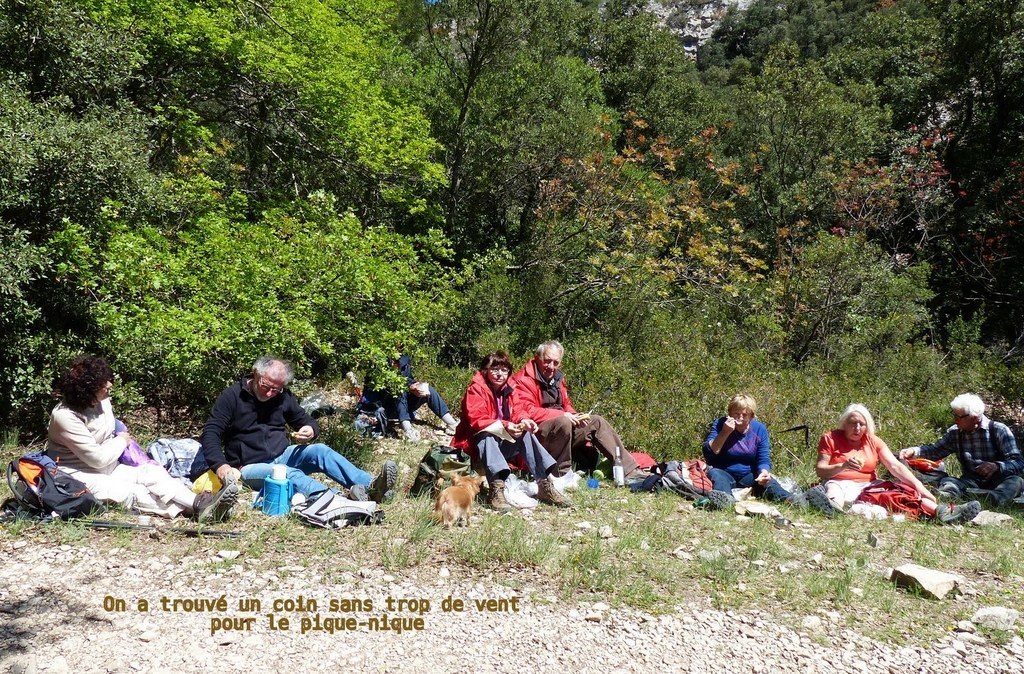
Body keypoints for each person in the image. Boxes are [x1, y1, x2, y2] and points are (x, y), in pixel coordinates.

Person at [46, 356, 238, 521]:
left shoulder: (102, 399)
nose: (109, 385)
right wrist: (122, 440)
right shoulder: (65, 416)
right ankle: (196, 508)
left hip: (110, 466)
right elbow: (97, 459)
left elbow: (111, 425)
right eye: (103, 383)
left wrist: (119, 432)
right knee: (133, 492)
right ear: (86, 390)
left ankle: (199, 503)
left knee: (151, 473)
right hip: (78, 476)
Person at [200, 356, 397, 503]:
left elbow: (306, 420)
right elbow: (211, 432)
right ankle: (337, 499)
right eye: (266, 386)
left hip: (283, 454)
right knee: (286, 472)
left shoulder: (282, 396)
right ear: (256, 374)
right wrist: (220, 465)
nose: (270, 393)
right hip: (249, 467)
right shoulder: (232, 396)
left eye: (276, 389)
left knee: (320, 450)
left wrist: (310, 430)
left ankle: (372, 487)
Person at [809, 404, 980, 524]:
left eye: (862, 424)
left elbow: (895, 466)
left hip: (869, 486)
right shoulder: (830, 437)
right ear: (844, 423)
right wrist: (843, 466)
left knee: (903, 492)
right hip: (838, 482)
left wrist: (921, 488)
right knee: (833, 490)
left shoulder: (873, 441)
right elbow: (821, 471)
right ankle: (831, 508)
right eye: (853, 423)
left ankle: (944, 512)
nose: (858, 428)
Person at [451, 351, 571, 511]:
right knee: (487, 434)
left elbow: (519, 410)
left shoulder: (510, 390)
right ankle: (496, 489)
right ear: (486, 370)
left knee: (525, 433)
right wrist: (506, 425)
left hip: (499, 448)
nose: (499, 374)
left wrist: (524, 421)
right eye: (495, 369)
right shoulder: (476, 389)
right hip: (474, 449)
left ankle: (544, 484)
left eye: (504, 370)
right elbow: (477, 420)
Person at [511, 340, 645, 480]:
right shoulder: (523, 380)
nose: (551, 366)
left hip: (561, 430)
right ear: (538, 357)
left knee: (596, 422)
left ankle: (629, 470)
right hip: (538, 435)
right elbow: (528, 412)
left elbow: (566, 404)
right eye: (547, 361)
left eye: (556, 363)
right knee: (563, 421)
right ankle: (562, 474)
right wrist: (564, 415)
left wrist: (576, 416)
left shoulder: (557, 378)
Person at [899, 393, 1024, 507]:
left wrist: (997, 466)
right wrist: (915, 451)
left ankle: (992, 499)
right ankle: (951, 496)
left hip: (1001, 480)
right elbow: (936, 450)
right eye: (953, 415)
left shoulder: (999, 430)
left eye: (959, 417)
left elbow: (1018, 462)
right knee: (949, 481)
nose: (955, 419)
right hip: (971, 481)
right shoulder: (955, 432)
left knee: (1016, 482)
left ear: (975, 418)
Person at [702, 394, 793, 508]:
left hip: (749, 474)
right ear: (730, 413)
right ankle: (723, 499)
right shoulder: (720, 424)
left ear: (751, 416)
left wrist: (764, 472)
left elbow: (763, 458)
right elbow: (709, 453)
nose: (740, 417)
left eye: (744, 415)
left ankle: (791, 500)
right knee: (716, 474)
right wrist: (725, 432)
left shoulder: (759, 429)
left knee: (768, 481)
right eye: (736, 413)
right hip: (724, 471)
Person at [358, 351, 459, 441]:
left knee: (428, 390)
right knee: (399, 390)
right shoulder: (378, 363)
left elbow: (409, 380)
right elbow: (383, 388)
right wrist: (408, 387)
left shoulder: (403, 361)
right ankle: (408, 430)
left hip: (402, 407)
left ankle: (452, 424)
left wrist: (415, 386)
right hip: (382, 407)